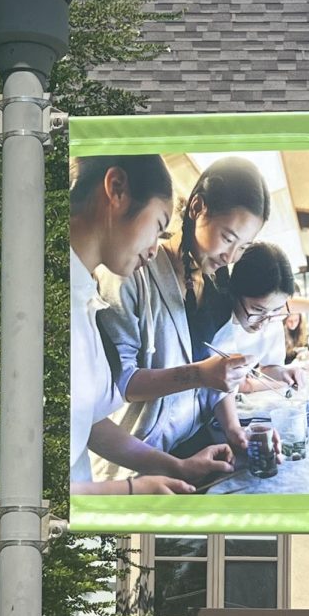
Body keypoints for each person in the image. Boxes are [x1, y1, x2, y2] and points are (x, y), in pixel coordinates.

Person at [68, 155, 235, 494]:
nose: (154, 247)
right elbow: (26, 488)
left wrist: (177, 466)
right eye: (158, 225)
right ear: (116, 189)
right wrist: (131, 490)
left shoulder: (83, 297)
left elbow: (88, 420)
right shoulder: (49, 298)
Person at [97, 156, 272, 457]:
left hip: (196, 441)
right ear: (197, 208)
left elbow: (221, 375)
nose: (230, 256)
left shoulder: (218, 287)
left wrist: (234, 432)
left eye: (243, 246)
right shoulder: (131, 269)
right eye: (227, 237)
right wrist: (200, 374)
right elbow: (122, 382)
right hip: (140, 453)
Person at [209, 243, 300, 453]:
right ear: (235, 293)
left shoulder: (271, 319)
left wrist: (285, 373)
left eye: (275, 311)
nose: (264, 322)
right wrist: (233, 428)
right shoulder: (218, 323)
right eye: (257, 310)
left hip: (237, 417)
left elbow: (268, 367)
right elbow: (223, 384)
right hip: (212, 418)